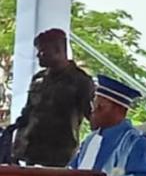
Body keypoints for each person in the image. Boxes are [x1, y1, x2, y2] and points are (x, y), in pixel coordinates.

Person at [12, 28, 95, 166]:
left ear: (58, 50)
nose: (38, 55)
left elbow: (92, 116)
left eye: (43, 51)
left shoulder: (80, 80)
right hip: (29, 152)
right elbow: (28, 112)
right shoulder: (38, 78)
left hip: (59, 156)